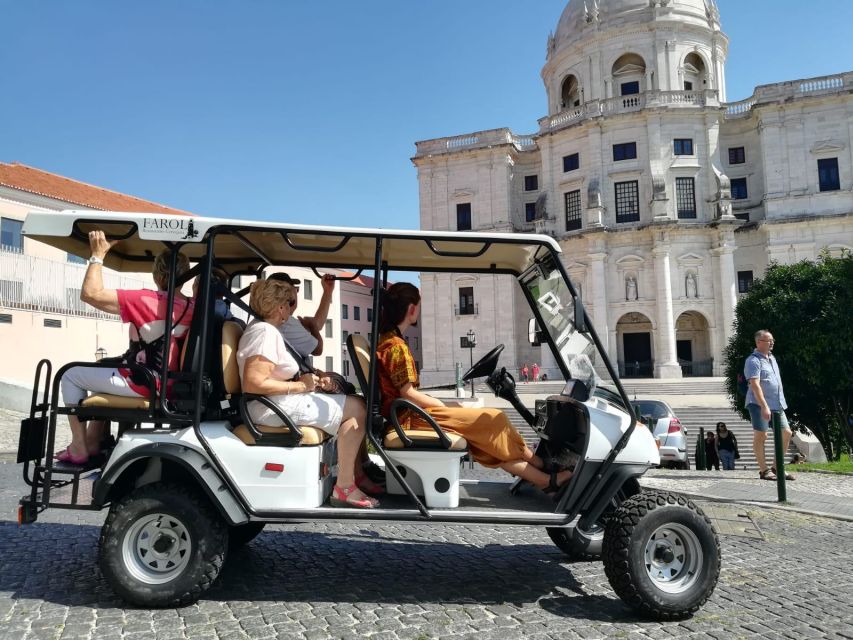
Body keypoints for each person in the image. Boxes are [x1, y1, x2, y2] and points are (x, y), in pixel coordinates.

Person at [375, 283, 572, 492]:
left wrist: (450, 404)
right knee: (494, 420)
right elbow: (408, 393)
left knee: (492, 437)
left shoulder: (390, 342)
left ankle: (542, 471)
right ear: (412, 309)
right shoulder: (396, 347)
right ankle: (544, 471)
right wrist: (446, 404)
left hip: (408, 414)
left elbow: (406, 393)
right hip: (409, 419)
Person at [236, 278, 381, 509]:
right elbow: (253, 383)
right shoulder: (264, 333)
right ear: (280, 307)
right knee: (358, 408)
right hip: (269, 408)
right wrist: (301, 386)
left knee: (355, 406)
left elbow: (272, 376)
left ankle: (352, 477)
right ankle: (345, 485)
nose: (291, 308)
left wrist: (310, 382)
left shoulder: (265, 330)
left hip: (276, 402)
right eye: (289, 302)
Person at [57, 231, 194, 465]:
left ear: (158, 275)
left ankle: (79, 447)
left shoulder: (146, 300)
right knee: (102, 368)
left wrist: (97, 255)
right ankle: (92, 442)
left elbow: (91, 294)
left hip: (145, 382)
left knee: (70, 375)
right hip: (171, 383)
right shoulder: (191, 307)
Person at [745, 330, 795, 481]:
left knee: (786, 433)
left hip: (777, 403)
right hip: (759, 404)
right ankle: (764, 470)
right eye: (768, 340)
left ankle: (777, 467)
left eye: (772, 340)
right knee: (762, 435)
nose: (772, 343)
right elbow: (755, 385)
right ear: (758, 342)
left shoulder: (772, 359)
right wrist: (764, 406)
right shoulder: (753, 360)